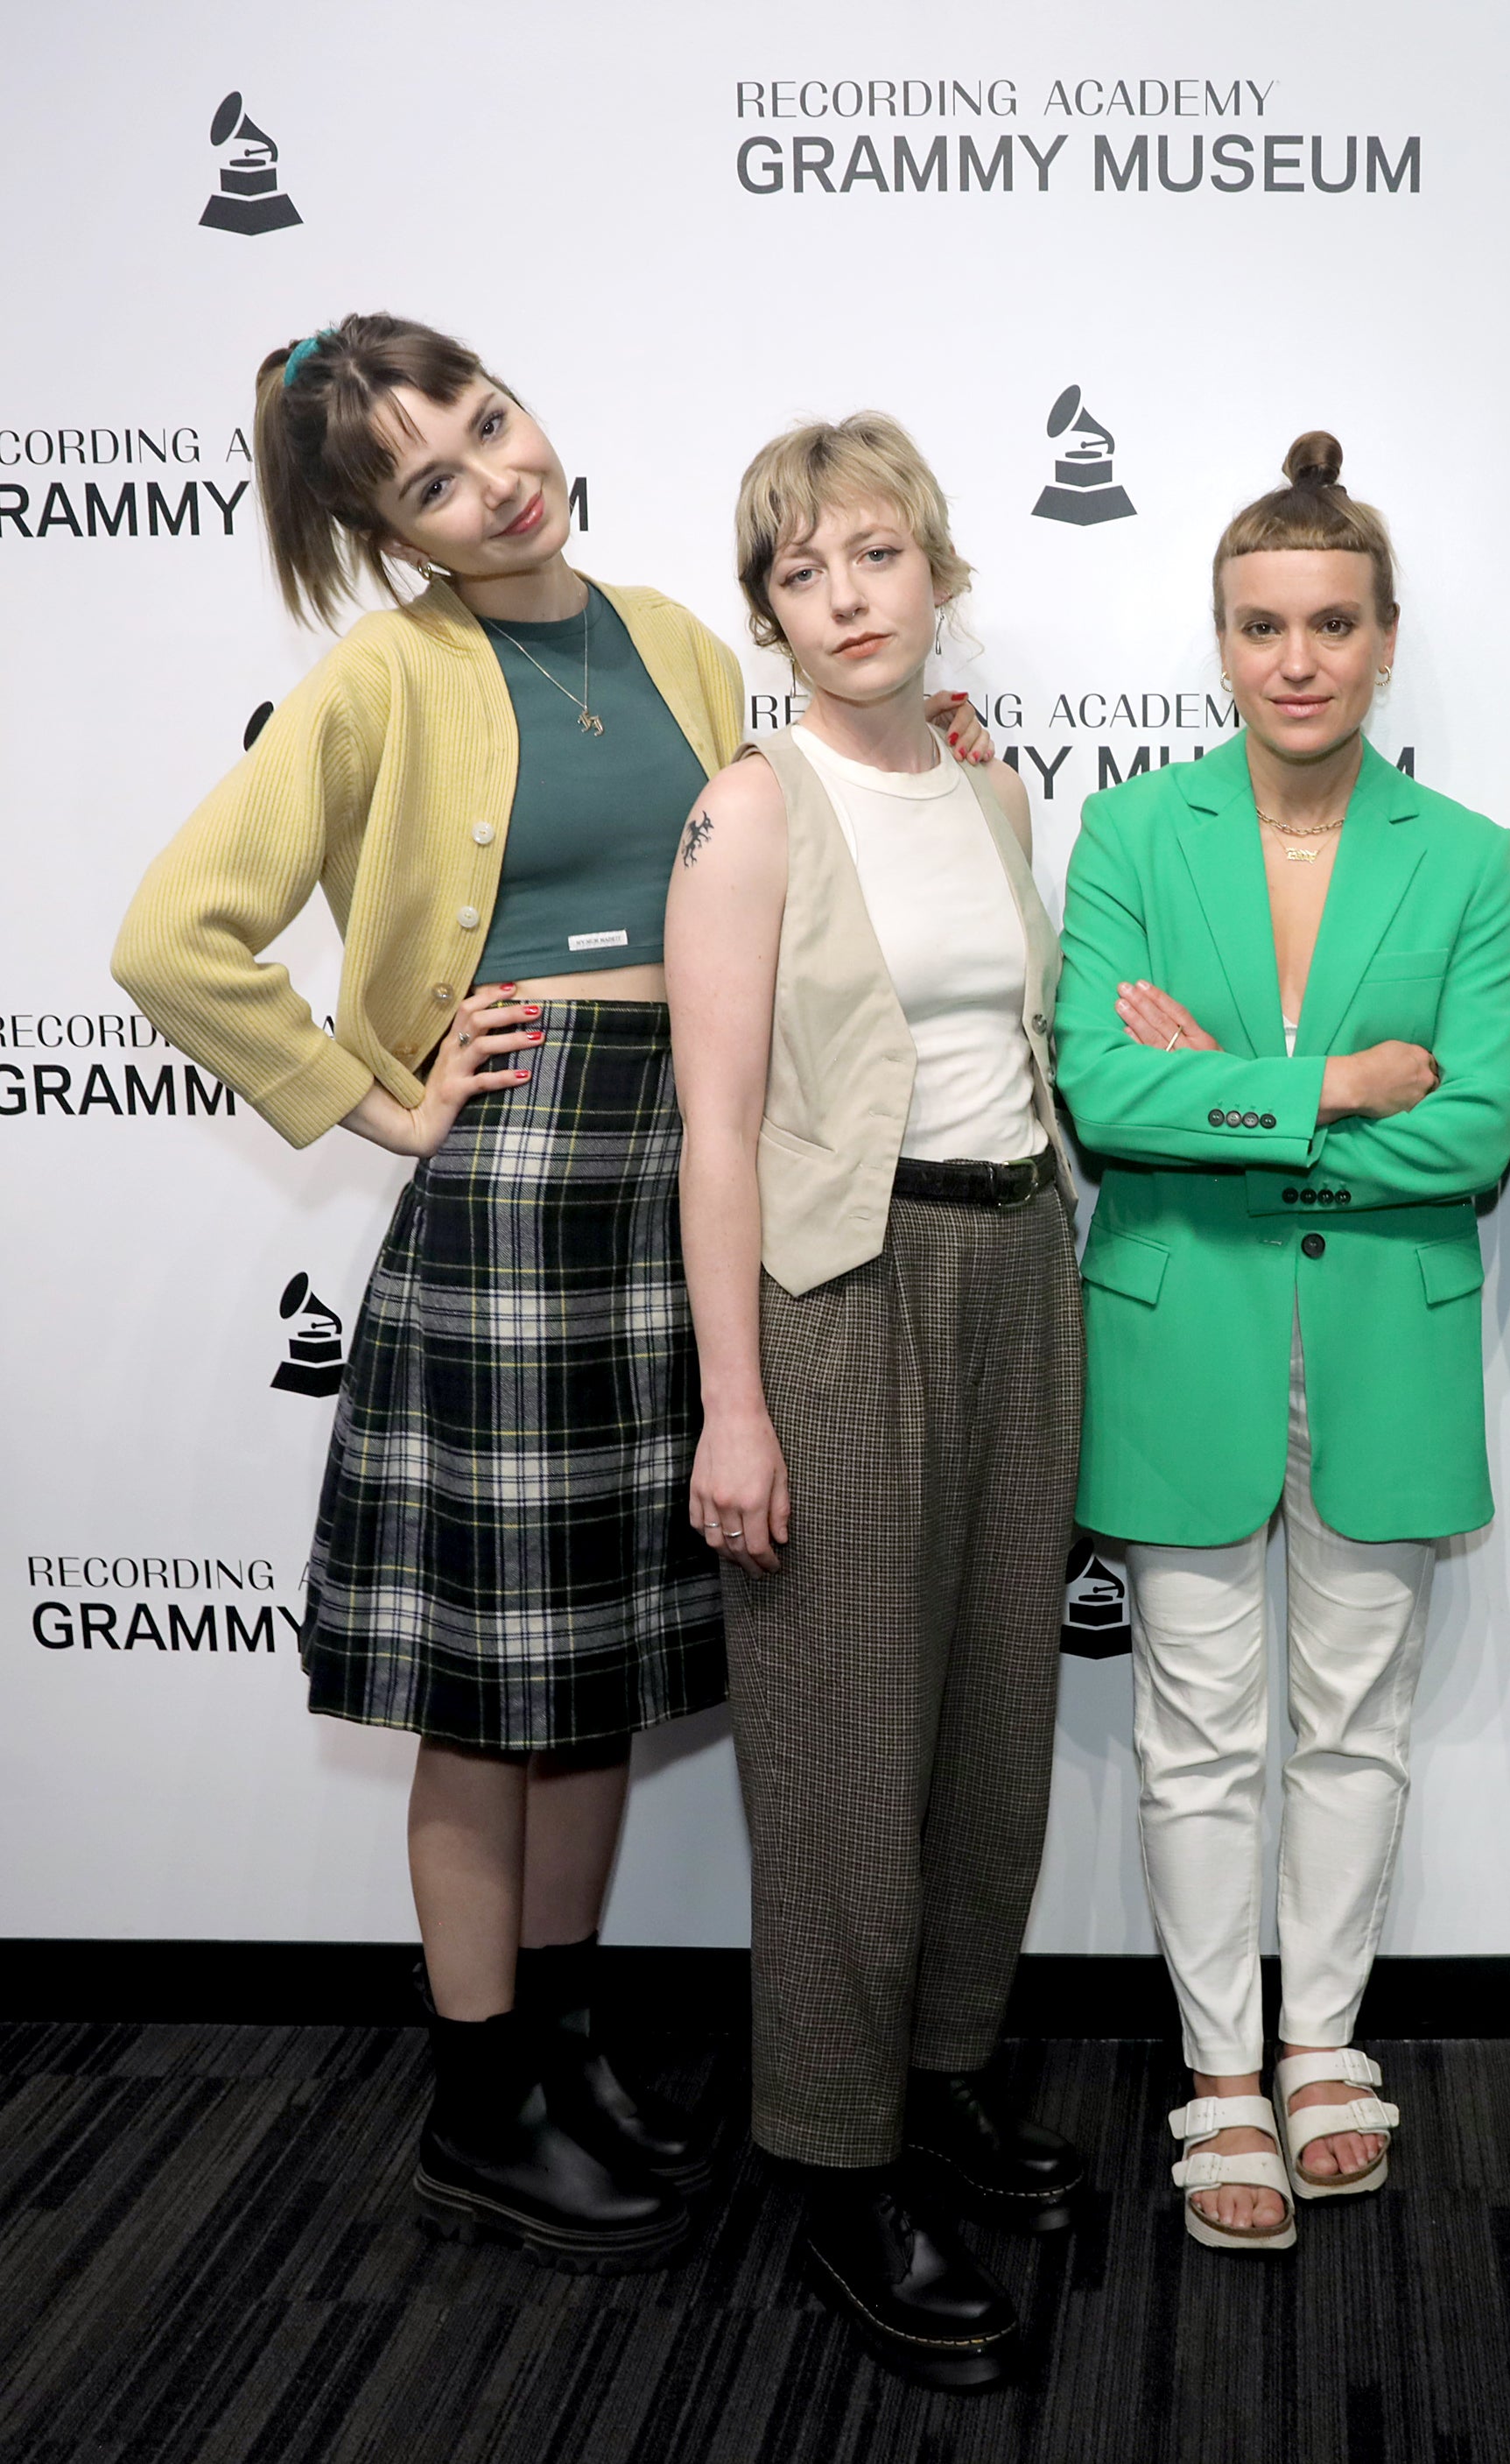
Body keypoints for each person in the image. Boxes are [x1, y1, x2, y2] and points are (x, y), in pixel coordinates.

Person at [111, 318, 987, 2276]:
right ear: (390, 536)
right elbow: (174, 938)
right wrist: (382, 1097)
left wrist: (936, 770)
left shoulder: (674, 637)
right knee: (489, 1683)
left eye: (491, 424)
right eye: (432, 481)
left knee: (600, 1666)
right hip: (517, 1187)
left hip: (693, 1164)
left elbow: (785, 853)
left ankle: (569, 2042)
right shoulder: (385, 674)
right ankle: (478, 2095)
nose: (496, 480)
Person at [1054, 433, 1510, 2251]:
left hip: (1383, 1341)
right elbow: (1103, 1092)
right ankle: (1220, 2072)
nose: (1298, 659)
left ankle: (1322, 2043)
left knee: (1350, 1724)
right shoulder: (1128, 832)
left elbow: (1473, 1132)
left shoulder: (1467, 858)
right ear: (1221, 641)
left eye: (1333, 623)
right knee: (1194, 1732)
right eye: (1261, 626)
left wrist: (1228, 1104)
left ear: (1385, 637)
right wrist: (1331, 1086)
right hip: (1183, 1331)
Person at [664, 412, 1082, 2390]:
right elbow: (719, 1129)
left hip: (1019, 1267)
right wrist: (732, 1405)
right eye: (800, 573)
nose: (843, 599)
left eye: (874, 556)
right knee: (840, 1747)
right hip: (842, 1290)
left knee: (993, 1716)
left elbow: (1012, 1039)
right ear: (770, 612)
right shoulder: (753, 809)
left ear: (938, 570)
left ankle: (941, 2079)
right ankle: (838, 2167)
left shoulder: (989, 788)